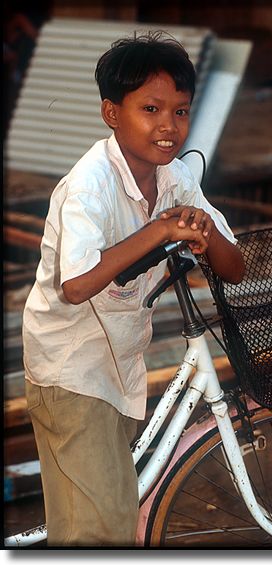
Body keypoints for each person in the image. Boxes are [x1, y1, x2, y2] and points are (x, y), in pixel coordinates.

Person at [22, 31, 245, 547]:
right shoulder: (88, 186)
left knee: (102, 514)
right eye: (151, 108)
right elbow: (76, 286)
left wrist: (203, 232)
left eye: (181, 111)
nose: (168, 126)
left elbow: (234, 267)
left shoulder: (177, 178)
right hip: (72, 369)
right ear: (111, 113)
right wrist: (162, 230)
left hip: (120, 364)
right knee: (98, 535)